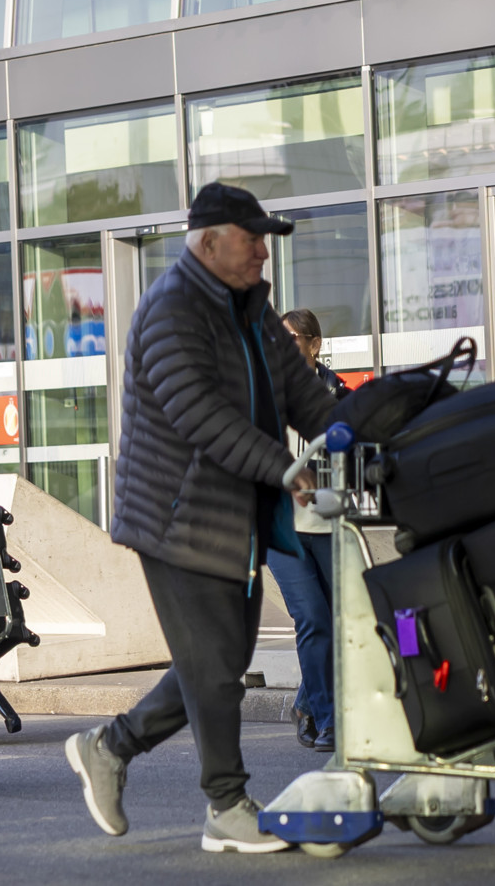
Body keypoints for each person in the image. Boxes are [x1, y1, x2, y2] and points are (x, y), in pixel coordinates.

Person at [65, 183, 340, 853]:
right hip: (176, 517)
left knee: (218, 660)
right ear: (209, 240)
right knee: (215, 668)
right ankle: (226, 804)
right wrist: (284, 465)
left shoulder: (251, 312)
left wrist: (365, 427)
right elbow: (200, 417)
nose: (263, 252)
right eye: (253, 239)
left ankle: (109, 746)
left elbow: (304, 393)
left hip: (237, 513)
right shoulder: (171, 309)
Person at [266, 308, 348, 753]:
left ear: (313, 345)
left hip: (328, 525)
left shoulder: (338, 396)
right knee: (312, 617)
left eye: (289, 338)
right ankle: (331, 720)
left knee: (335, 623)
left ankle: (305, 704)